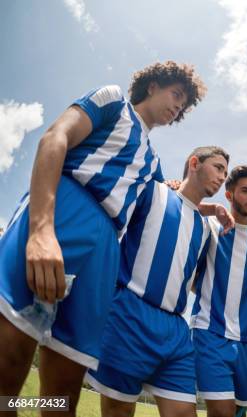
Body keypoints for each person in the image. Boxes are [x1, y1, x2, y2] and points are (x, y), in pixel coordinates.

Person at [0, 61, 206, 415]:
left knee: (64, 391)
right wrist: (41, 231)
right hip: (63, 214)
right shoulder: (113, 101)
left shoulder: (153, 163)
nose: (178, 107)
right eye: (176, 95)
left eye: (184, 106)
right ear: (153, 85)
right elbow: (55, 138)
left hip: (105, 251)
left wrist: (211, 210)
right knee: (10, 359)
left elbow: (170, 203)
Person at [86, 146, 229, 417]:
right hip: (130, 315)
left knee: (185, 413)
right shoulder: (152, 191)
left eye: (225, 172)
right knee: (118, 410)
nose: (223, 176)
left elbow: (194, 280)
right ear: (194, 162)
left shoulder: (208, 229)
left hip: (175, 329)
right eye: (218, 167)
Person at [191, 165, 247, 417]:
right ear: (229, 195)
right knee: (221, 412)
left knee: (239, 412)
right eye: (246, 190)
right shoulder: (209, 228)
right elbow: (193, 278)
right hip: (210, 331)